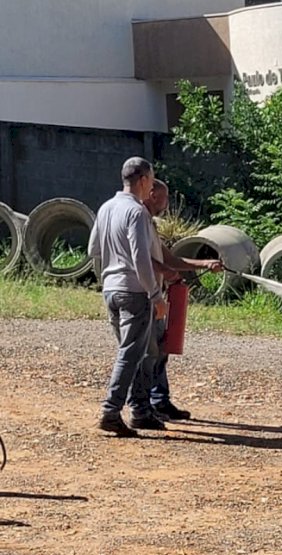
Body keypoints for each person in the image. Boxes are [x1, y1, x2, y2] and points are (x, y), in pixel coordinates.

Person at [88, 157, 168, 437]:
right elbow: (140, 258)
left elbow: (93, 250)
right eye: (151, 180)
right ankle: (111, 411)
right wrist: (156, 295)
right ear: (144, 179)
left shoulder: (106, 207)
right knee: (131, 354)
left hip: (111, 289)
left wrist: (108, 277)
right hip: (134, 291)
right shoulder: (137, 212)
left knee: (132, 352)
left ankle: (141, 412)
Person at [143, 179, 223, 422]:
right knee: (149, 354)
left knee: (161, 350)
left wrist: (204, 264)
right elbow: (144, 260)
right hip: (144, 296)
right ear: (153, 194)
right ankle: (144, 406)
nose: (167, 204)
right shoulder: (137, 221)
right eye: (165, 198)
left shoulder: (150, 226)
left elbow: (170, 259)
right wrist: (165, 275)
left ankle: (159, 401)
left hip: (155, 295)